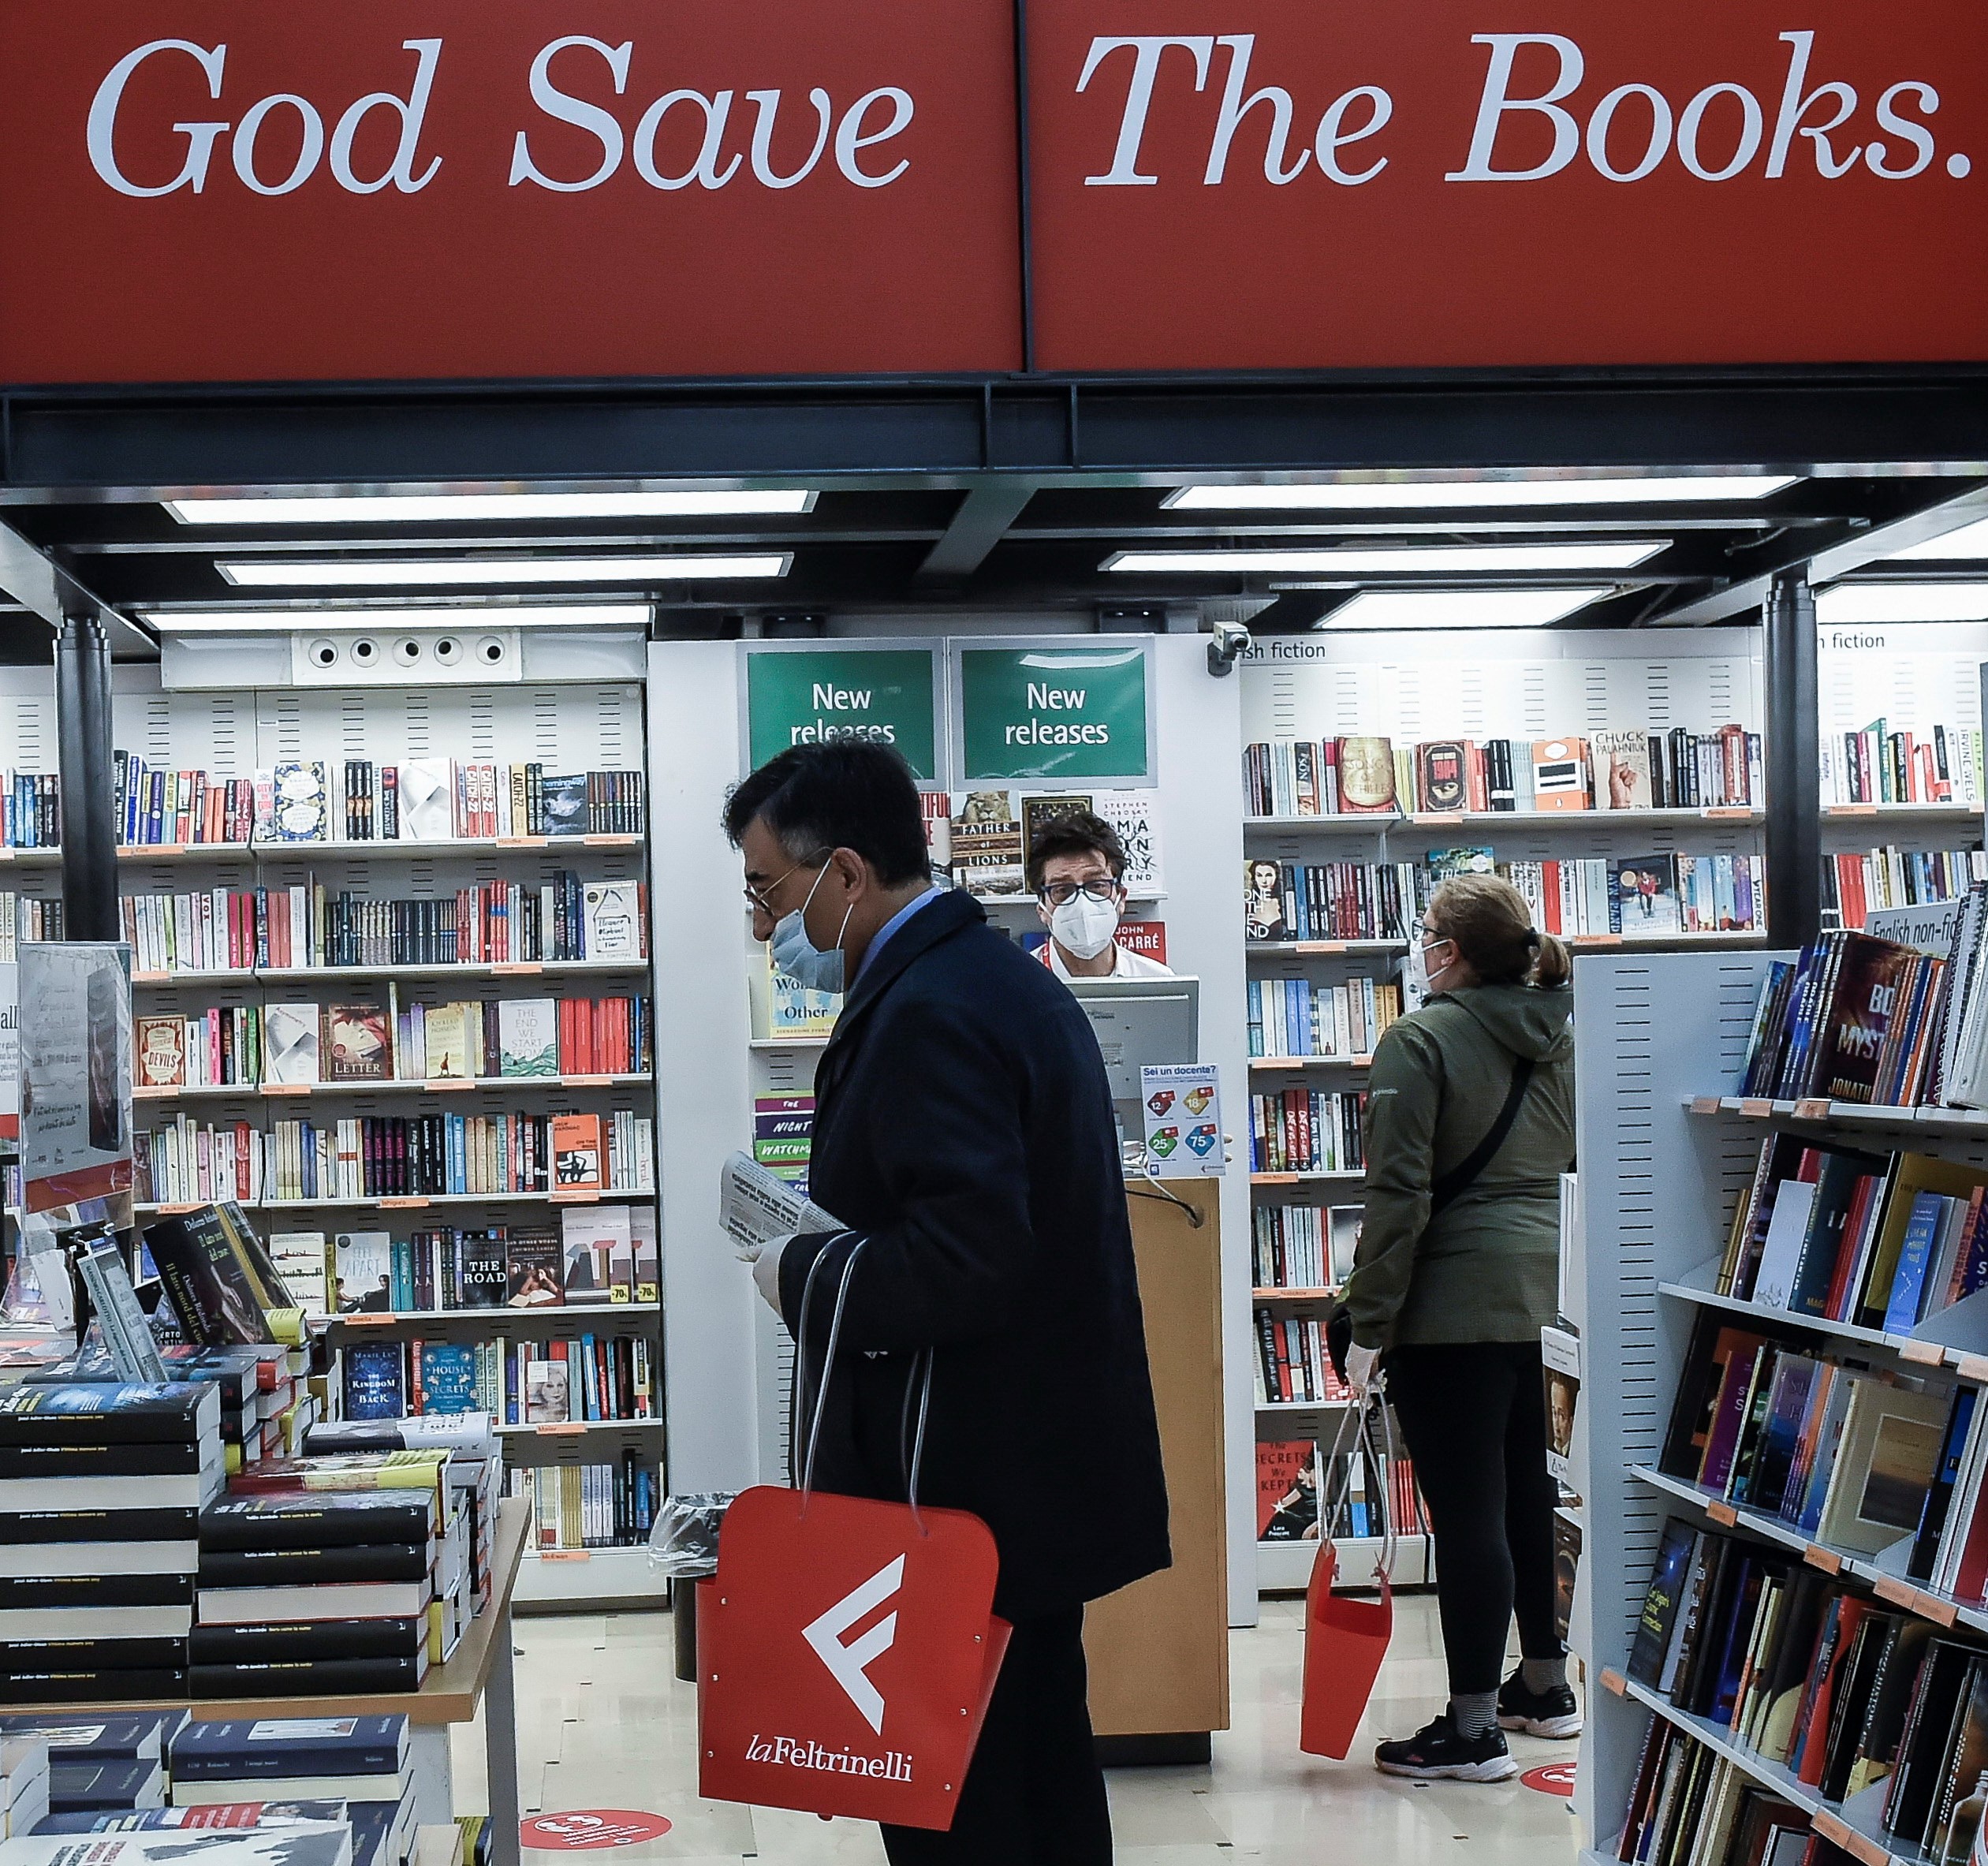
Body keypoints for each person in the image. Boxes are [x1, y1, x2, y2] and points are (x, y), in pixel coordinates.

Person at [722, 742, 1170, 1866]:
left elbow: (970, 1257)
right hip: (1021, 1484)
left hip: (967, 1496)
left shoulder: (931, 1007)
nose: (765, 919)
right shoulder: (988, 978)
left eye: (769, 890)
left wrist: (800, 1270)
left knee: (965, 1804)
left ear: (848, 873)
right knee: (1037, 1779)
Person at [1337, 872, 1578, 1783]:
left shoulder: (1420, 1038)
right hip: (1543, 1295)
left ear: (1455, 950)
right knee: (1527, 1493)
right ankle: (1542, 1685)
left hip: (1450, 1307)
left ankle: (1473, 1728)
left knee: (1465, 1510)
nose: (1421, 942)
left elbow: (1398, 1196)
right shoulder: (1558, 1032)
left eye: (1430, 931)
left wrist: (1369, 1319)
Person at [1025, 810, 1173, 980]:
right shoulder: (1016, 986)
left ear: (1121, 898)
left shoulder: (1156, 981)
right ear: (1042, 909)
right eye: (1063, 889)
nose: (1081, 902)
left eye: (1097, 885)